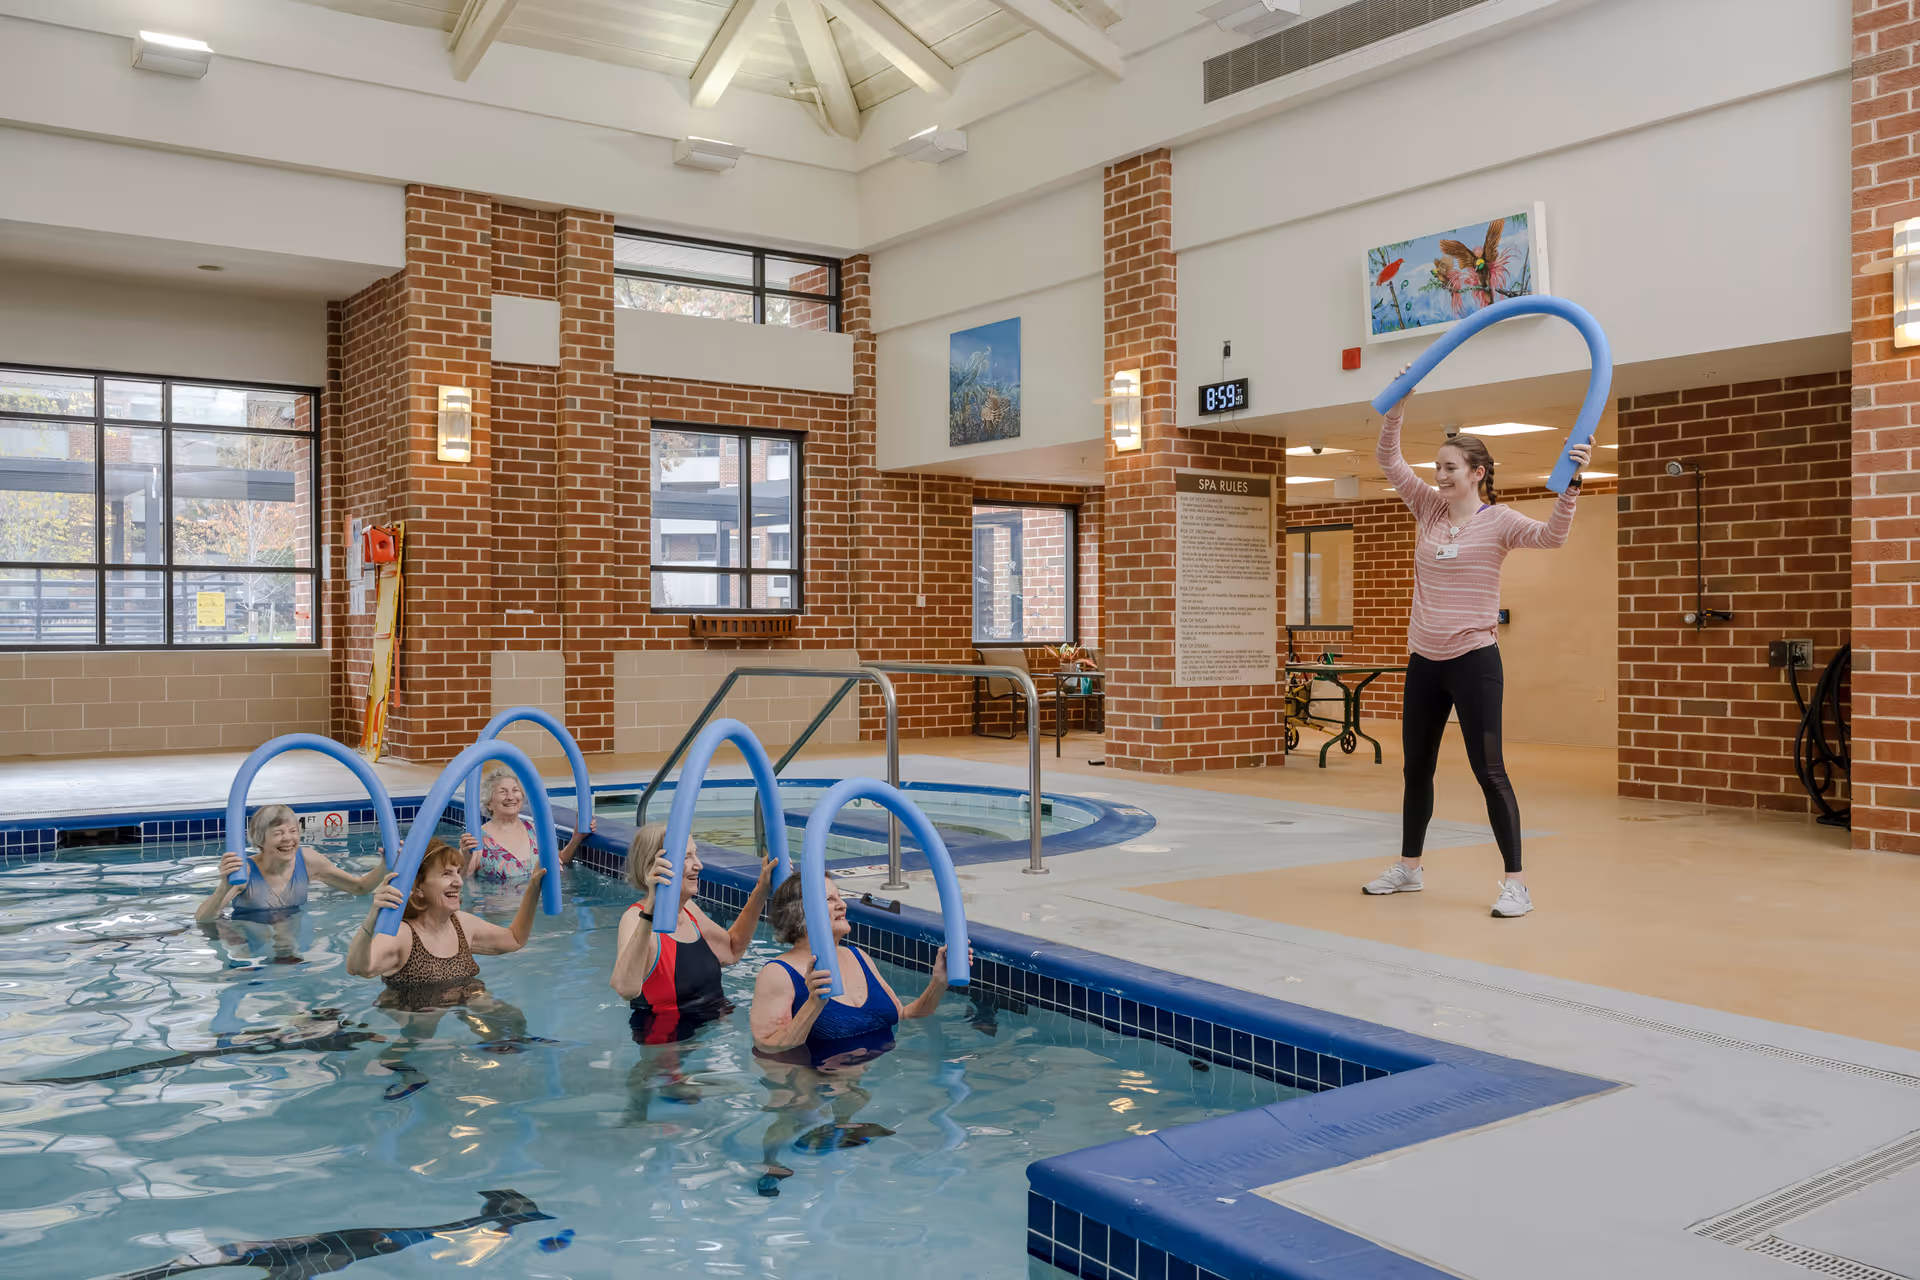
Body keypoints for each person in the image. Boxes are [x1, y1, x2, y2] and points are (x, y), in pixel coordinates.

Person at [1361, 372, 1590, 919]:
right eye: (1437, 467)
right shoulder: (1427, 509)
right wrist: (1397, 409)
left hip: (1474, 660)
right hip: (1424, 659)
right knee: (1416, 769)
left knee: (1490, 770)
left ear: (1477, 474)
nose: (1437, 476)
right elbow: (1389, 462)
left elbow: (1551, 537)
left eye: (1449, 468)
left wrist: (1572, 487)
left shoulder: (1500, 521)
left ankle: (1516, 884)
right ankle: (1409, 869)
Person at [746, 873, 966, 1195]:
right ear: (801, 913)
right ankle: (772, 1161)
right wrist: (813, 1003)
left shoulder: (858, 957)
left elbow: (905, 1014)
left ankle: (842, 1125)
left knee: (853, 1099)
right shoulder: (778, 973)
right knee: (800, 1113)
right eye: (830, 900)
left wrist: (939, 982)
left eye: (840, 897)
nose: (842, 904)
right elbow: (769, 1046)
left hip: (857, 1077)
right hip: (806, 1083)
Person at [347, 838, 549, 1098]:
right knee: (423, 1028)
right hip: (413, 1002)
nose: (458, 881)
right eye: (445, 874)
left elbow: (514, 940)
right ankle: (394, 1063)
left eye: (457, 872)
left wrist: (533, 888)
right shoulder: (402, 934)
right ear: (417, 888)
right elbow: (357, 968)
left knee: (509, 1016)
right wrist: (372, 916)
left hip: (461, 991)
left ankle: (512, 1042)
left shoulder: (462, 924)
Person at [610, 823, 775, 1046]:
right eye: (687, 857)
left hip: (716, 1031)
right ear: (654, 866)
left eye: (695, 855)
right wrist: (651, 907)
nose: (698, 865)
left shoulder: (690, 911)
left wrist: (762, 888)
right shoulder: (635, 919)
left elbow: (733, 950)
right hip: (668, 1041)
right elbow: (625, 989)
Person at [195, 804, 386, 925]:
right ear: (260, 841)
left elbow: (360, 888)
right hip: (250, 941)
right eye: (278, 833)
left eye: (293, 831)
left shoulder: (309, 861)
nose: (288, 839)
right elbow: (203, 919)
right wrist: (223, 887)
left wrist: (386, 865)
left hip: (292, 937)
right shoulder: (245, 871)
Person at [458, 765, 591, 888]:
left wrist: (576, 838)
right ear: (489, 803)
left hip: (538, 909)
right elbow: (462, 880)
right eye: (503, 792)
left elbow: (559, 859)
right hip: (501, 911)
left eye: (515, 790)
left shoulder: (533, 829)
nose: (510, 797)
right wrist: (465, 856)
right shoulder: (477, 839)